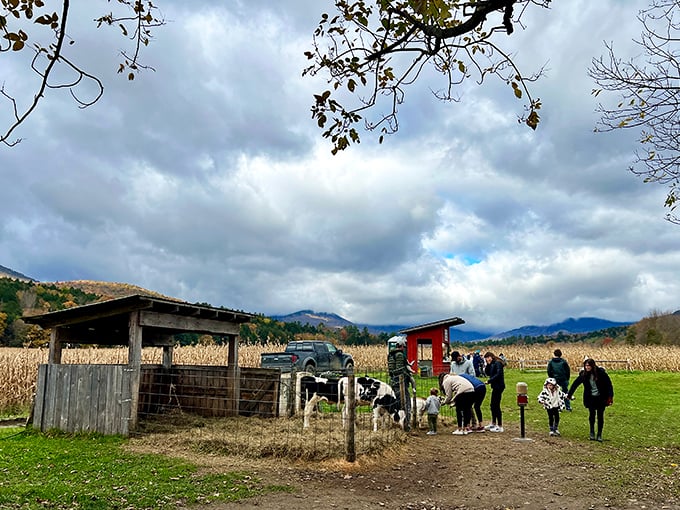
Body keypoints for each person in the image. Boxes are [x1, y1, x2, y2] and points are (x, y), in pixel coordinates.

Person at [567, 358, 614, 442]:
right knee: (592, 415)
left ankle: (599, 434)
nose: (587, 367)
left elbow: (609, 385)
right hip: (590, 398)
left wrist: (610, 397)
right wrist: (569, 394)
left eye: (588, 365)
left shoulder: (601, 373)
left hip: (601, 398)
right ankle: (592, 431)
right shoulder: (584, 375)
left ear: (592, 366)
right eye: (585, 366)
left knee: (600, 416)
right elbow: (575, 384)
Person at [387, 336, 413, 430]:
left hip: (393, 381)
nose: (404, 348)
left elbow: (392, 369)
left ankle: (396, 422)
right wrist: (407, 371)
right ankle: (406, 424)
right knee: (405, 403)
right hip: (400, 382)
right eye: (404, 347)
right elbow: (399, 369)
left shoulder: (391, 355)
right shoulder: (399, 355)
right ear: (402, 345)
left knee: (396, 403)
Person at [483, 351, 506, 432]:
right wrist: (487, 365)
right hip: (495, 386)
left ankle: (500, 425)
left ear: (490, 357)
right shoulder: (492, 364)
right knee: (492, 405)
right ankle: (493, 422)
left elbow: (498, 374)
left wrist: (489, 381)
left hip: (499, 386)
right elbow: (487, 373)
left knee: (496, 405)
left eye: (487, 358)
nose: (486, 360)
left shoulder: (497, 363)